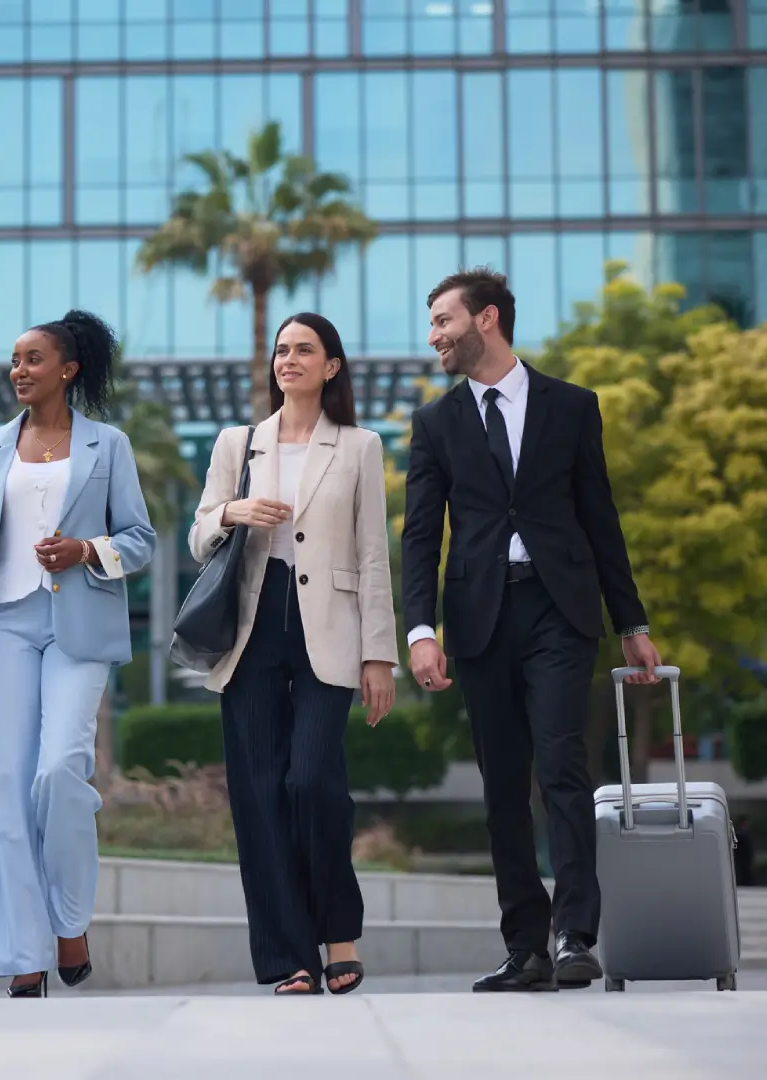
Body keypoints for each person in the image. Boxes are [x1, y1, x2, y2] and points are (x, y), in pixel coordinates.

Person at [401, 267, 663, 992]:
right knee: (502, 787)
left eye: (443, 322)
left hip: (560, 607)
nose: (434, 338)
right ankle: (527, 947)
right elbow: (420, 537)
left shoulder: (572, 407)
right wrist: (419, 629)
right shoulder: (436, 423)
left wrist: (631, 621)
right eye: (431, 326)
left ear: (486, 319)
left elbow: (599, 518)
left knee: (562, 766)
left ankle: (576, 933)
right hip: (480, 619)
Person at [0, 309, 155, 998]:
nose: (19, 371)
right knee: (6, 787)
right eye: (14, 359)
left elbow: (142, 539)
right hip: (2, 624)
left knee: (60, 769)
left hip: (79, 624)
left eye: (33, 359)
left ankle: (69, 921)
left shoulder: (108, 445)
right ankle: (20, 951)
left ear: (67, 369)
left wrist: (88, 550)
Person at [187, 312, 399, 996]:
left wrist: (380, 656)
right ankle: (289, 957)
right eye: (282, 349)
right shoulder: (239, 442)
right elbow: (198, 534)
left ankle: (340, 933)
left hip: (329, 628)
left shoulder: (360, 445)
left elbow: (373, 555)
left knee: (313, 782)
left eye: (304, 349)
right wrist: (232, 514)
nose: (289, 359)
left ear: (331, 365)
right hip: (252, 626)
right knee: (257, 793)